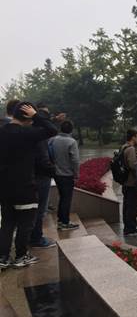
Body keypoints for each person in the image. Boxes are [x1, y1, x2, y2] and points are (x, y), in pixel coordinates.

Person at [0, 102, 57, 268]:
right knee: (25, 223)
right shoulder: (27, 133)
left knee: (7, 223)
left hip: (4, 188)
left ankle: (3, 257)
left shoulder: (2, 131)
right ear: (27, 117)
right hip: (25, 186)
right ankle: (21, 256)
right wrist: (36, 115)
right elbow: (52, 130)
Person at [30, 104, 62, 248]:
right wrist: (54, 171)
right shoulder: (39, 136)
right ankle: (36, 238)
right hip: (41, 176)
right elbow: (43, 159)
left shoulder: (25, 132)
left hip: (30, 175)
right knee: (40, 209)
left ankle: (30, 236)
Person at [50, 120, 80, 231]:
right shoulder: (71, 142)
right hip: (67, 175)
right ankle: (64, 223)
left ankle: (60, 220)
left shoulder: (53, 140)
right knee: (66, 199)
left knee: (62, 197)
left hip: (56, 174)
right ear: (71, 130)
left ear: (60, 128)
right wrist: (76, 174)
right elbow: (75, 160)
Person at [121, 129, 137, 236]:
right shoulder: (131, 149)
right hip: (131, 183)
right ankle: (130, 229)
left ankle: (128, 228)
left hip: (125, 182)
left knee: (127, 206)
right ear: (133, 137)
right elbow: (133, 166)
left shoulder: (124, 147)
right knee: (132, 207)